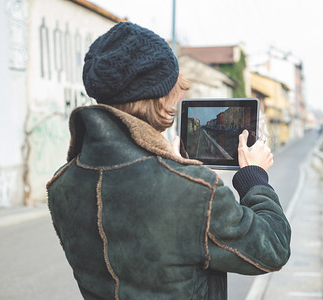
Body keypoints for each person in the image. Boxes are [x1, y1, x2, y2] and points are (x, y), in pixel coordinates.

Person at [47, 21, 291, 300]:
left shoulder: (61, 184)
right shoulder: (194, 190)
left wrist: (169, 168)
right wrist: (253, 177)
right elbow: (273, 248)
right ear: (163, 99)